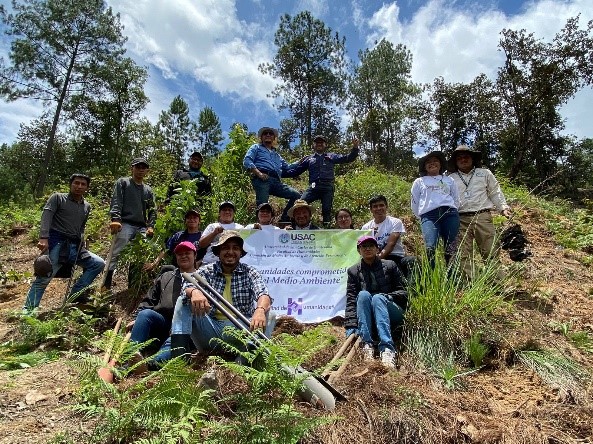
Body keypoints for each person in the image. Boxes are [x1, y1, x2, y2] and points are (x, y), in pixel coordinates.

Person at [170, 230, 274, 357]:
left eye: (235, 248)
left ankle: (248, 360)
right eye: (225, 248)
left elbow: (263, 293)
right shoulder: (207, 270)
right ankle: (179, 359)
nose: (230, 252)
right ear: (218, 252)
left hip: (241, 330)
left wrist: (260, 309)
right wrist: (195, 292)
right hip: (211, 330)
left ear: (241, 253)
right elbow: (187, 284)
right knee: (183, 300)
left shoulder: (250, 272)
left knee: (270, 315)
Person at [24, 174, 105, 311]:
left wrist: (82, 242)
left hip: (75, 246)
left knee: (98, 264)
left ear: (87, 187)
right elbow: (47, 215)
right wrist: (43, 237)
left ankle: (76, 294)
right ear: (71, 184)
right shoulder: (58, 198)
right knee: (44, 277)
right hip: (57, 243)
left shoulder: (86, 206)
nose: (79, 186)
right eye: (76, 183)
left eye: (83, 184)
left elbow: (81, 227)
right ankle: (29, 310)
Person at [127, 241, 199, 371]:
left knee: (174, 344)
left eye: (187, 253)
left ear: (195, 255)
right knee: (145, 314)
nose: (183, 256)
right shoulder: (166, 276)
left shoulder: (203, 278)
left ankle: (147, 366)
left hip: (186, 327)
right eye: (179, 254)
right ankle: (131, 356)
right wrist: (137, 319)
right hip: (162, 321)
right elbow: (149, 299)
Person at [448, 145, 512, 279]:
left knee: (490, 250)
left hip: (482, 216)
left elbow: (495, 192)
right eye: (459, 158)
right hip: (459, 218)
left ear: (472, 158)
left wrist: (503, 208)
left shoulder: (484, 173)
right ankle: (472, 284)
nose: (463, 160)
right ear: (455, 161)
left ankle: (498, 283)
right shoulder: (449, 178)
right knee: (462, 253)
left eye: (466, 156)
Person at [344, 235, 407, 369]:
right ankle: (367, 345)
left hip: (391, 311)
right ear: (358, 250)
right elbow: (351, 299)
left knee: (378, 298)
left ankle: (387, 349)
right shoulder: (353, 271)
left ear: (377, 248)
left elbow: (403, 292)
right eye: (363, 247)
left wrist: (388, 297)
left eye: (371, 246)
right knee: (363, 294)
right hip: (369, 315)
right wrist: (351, 325)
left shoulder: (390, 265)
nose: (367, 249)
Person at [104, 157, 156, 289]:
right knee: (115, 253)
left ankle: (132, 287)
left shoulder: (148, 190)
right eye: (138, 167)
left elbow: (152, 209)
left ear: (146, 171)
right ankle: (105, 286)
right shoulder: (123, 183)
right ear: (132, 168)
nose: (140, 170)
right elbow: (117, 201)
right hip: (125, 223)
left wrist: (151, 225)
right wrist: (115, 219)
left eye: (143, 168)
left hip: (141, 226)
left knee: (140, 254)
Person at [285, 135, 358, 227]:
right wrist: (280, 173)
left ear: (325, 145)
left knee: (326, 210)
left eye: (321, 142)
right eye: (317, 142)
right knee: (300, 203)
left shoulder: (331, 156)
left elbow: (348, 158)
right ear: (313, 145)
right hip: (313, 187)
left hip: (327, 187)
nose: (319, 144)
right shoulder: (309, 159)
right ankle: (292, 226)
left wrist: (355, 148)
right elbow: (296, 171)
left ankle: (327, 230)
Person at [411, 152, 460, 267]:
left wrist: (452, 210)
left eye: (435, 161)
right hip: (429, 216)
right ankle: (431, 278)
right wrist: (423, 217)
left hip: (450, 214)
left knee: (451, 247)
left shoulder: (449, 180)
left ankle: (451, 278)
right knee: (430, 247)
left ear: (440, 164)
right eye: (428, 162)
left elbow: (456, 199)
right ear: (424, 166)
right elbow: (414, 203)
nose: (432, 163)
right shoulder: (419, 181)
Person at [243, 126, 301, 223]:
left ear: (274, 138)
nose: (268, 135)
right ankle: (259, 227)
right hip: (262, 178)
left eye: (271, 134)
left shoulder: (277, 155)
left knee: (296, 195)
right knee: (263, 206)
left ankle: (284, 219)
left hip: (276, 181)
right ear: (261, 137)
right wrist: (258, 173)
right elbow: (247, 160)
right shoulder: (256, 147)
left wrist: (300, 161)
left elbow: (287, 167)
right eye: (265, 133)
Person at [361, 195, 415, 280]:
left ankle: (412, 291)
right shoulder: (366, 227)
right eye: (375, 206)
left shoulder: (395, 222)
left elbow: (391, 244)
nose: (378, 208)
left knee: (412, 261)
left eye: (381, 205)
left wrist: (377, 259)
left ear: (386, 207)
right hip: (374, 259)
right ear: (371, 210)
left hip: (396, 257)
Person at [143, 208, 203, 273]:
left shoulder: (204, 236)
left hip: (197, 269)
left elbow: (210, 254)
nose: (192, 220)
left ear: (199, 221)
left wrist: (199, 263)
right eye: (189, 218)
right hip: (178, 269)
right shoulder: (178, 236)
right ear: (185, 221)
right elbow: (166, 250)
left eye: (194, 218)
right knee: (165, 269)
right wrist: (154, 264)